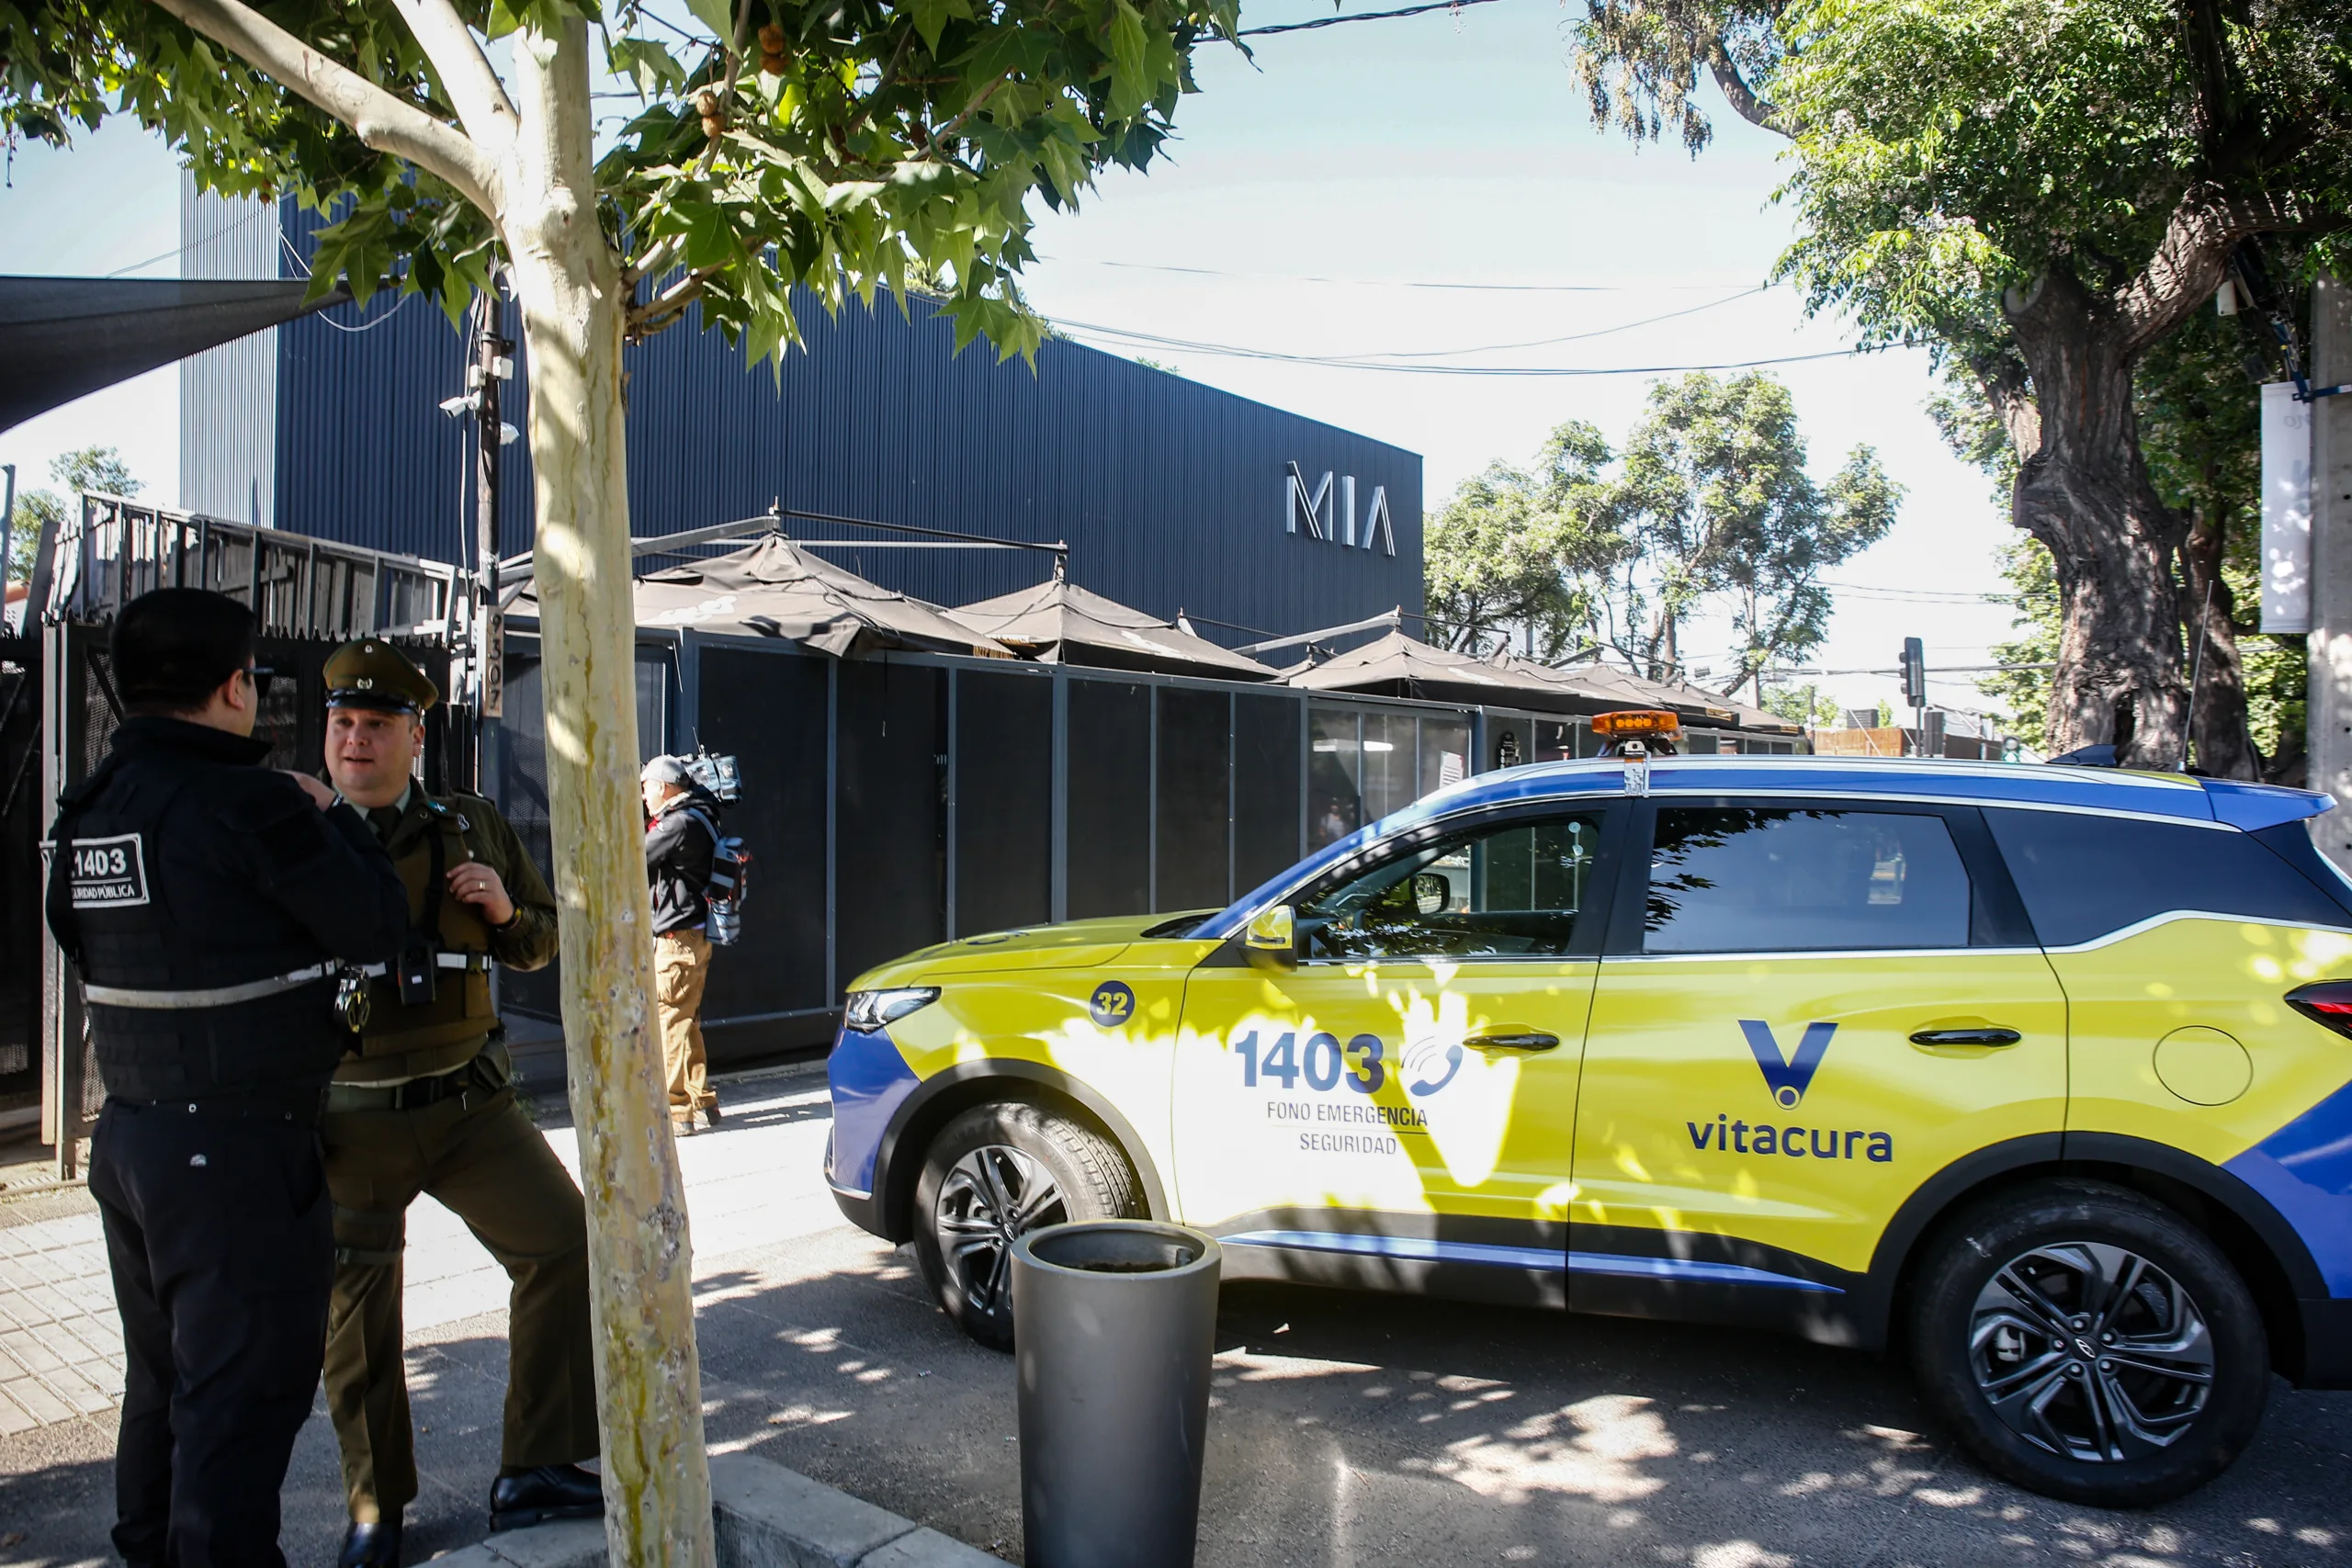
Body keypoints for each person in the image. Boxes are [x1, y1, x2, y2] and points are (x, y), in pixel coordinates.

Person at [43, 589, 409, 1568]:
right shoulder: (251, 803)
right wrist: (337, 815)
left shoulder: (90, 808)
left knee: (165, 1381)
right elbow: (377, 925)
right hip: (237, 1149)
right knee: (239, 1399)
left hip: (131, 1136)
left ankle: (147, 1551)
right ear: (236, 687)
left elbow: (77, 936)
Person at [311, 638, 602, 1566]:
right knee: (360, 1317)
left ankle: (536, 1465)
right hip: (350, 1119)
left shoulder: (470, 824)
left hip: (470, 1109)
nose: (356, 740)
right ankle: (375, 1507)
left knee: (563, 1241)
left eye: (377, 724)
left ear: (415, 736)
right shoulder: (296, 833)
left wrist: (505, 912)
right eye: (342, 722)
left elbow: (544, 939)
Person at [642, 754, 723, 1134]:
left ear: (663, 787)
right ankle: (702, 1100)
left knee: (670, 1022)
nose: (643, 796)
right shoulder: (700, 816)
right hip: (694, 937)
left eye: (646, 788)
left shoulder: (676, 824)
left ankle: (675, 1110)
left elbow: (636, 857)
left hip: (677, 941)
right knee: (686, 1019)